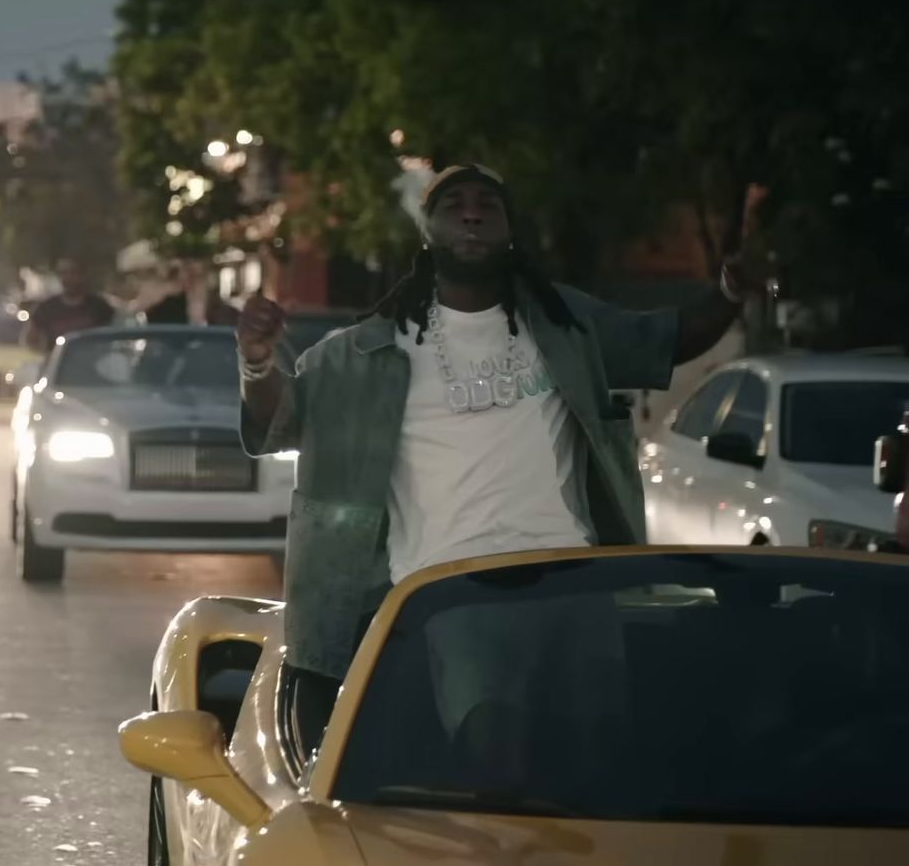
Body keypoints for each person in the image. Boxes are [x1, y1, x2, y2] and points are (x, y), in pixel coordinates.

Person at [237, 164, 745, 756]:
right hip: (452, 591)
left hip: (574, 582)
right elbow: (279, 421)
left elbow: (670, 339)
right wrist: (254, 362)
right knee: (492, 750)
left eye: (488, 205)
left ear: (509, 231)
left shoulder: (565, 327)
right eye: (454, 205)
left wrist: (734, 293)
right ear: (426, 232)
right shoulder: (363, 354)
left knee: (602, 751)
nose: (472, 213)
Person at [25, 260, 115, 352]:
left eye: (73, 273)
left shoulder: (99, 306)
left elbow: (112, 337)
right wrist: (48, 356)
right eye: (64, 273)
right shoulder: (46, 307)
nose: (68, 278)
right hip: (60, 365)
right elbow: (30, 339)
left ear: (82, 276)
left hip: (92, 363)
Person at [144, 262, 241, 326]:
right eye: (188, 276)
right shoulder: (167, 308)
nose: (189, 282)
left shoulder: (226, 313)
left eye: (197, 277)